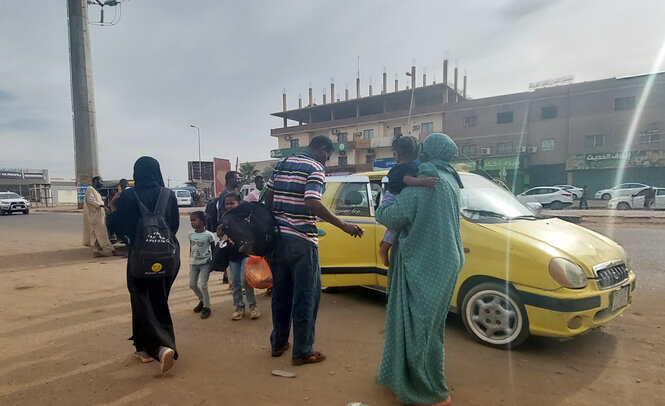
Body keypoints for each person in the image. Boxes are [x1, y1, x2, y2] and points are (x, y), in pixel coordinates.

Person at [375, 133, 464, 406]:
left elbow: (389, 217)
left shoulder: (424, 183)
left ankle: (430, 391)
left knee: (417, 327)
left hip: (423, 264)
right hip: (445, 260)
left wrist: (384, 200)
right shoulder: (452, 181)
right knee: (429, 327)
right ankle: (400, 375)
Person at [263, 135, 363, 366]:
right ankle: (303, 350)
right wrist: (344, 226)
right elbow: (312, 202)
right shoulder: (315, 168)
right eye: (328, 155)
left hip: (278, 241)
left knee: (281, 294)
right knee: (306, 296)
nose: (327, 160)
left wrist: (276, 225)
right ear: (322, 149)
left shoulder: (283, 164)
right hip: (303, 241)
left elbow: (268, 197)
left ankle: (278, 343)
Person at [106, 156, 180, 373]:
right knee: (158, 300)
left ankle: (161, 348)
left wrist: (112, 208)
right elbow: (173, 225)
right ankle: (142, 347)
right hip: (167, 257)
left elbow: (118, 227)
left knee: (142, 301)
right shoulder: (168, 194)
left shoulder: (130, 195)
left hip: (141, 257)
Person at [378, 135, 438, 266]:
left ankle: (384, 242)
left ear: (398, 154)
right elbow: (407, 180)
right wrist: (423, 182)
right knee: (395, 226)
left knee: (393, 227)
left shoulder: (396, 167)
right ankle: (384, 248)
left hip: (389, 195)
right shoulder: (411, 167)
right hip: (394, 197)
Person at [222, 192, 261, 320]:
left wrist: (247, 244)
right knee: (236, 282)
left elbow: (253, 233)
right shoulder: (225, 218)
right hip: (233, 255)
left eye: (232, 203)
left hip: (246, 253)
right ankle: (239, 306)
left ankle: (253, 306)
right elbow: (223, 236)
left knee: (246, 280)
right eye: (227, 204)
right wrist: (220, 230)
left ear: (239, 203)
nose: (229, 206)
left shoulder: (246, 217)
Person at [188, 211, 216, 319]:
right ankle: (202, 300)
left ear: (202, 221)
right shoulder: (191, 234)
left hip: (205, 263)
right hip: (194, 263)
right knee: (192, 284)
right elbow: (192, 247)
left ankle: (207, 307)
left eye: (194, 220)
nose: (192, 222)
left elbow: (213, 249)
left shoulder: (209, 235)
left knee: (204, 285)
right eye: (191, 220)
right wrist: (190, 260)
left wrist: (212, 264)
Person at [83, 176, 119, 258]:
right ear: (96, 181)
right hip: (95, 217)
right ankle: (112, 251)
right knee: (103, 234)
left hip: (99, 216)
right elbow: (90, 200)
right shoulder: (90, 189)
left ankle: (96, 251)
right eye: (101, 181)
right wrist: (102, 206)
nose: (102, 183)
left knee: (97, 235)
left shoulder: (96, 192)